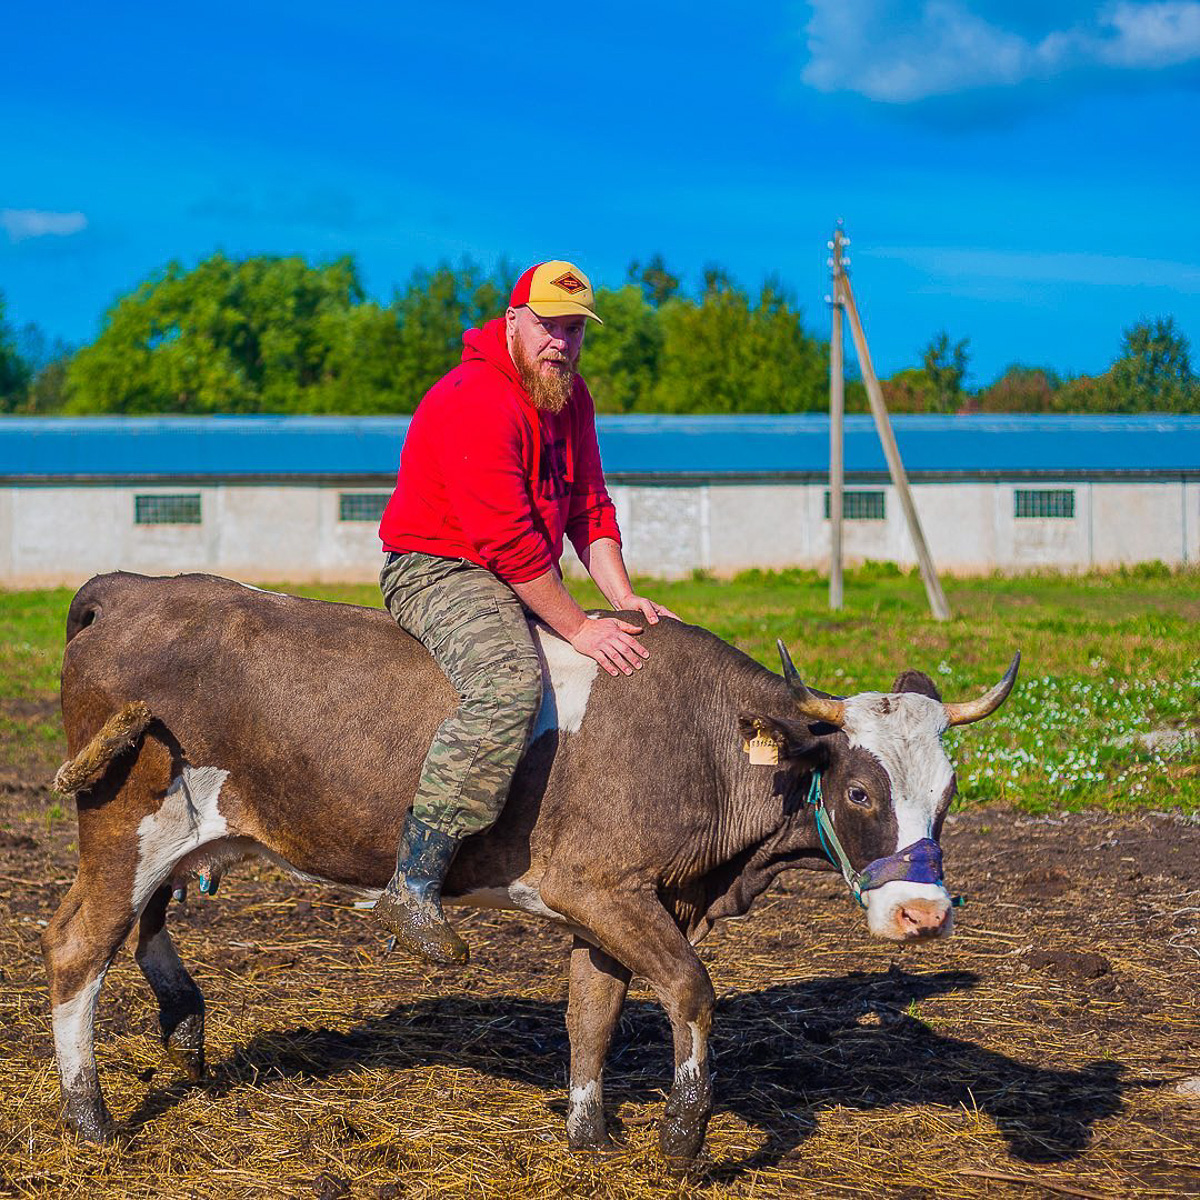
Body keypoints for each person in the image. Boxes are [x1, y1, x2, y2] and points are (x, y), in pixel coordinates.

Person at [374, 260, 678, 966]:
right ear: (513, 322)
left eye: (573, 330)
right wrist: (577, 625)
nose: (561, 343)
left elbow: (590, 507)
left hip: (512, 568)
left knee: (626, 647)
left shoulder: (571, 399)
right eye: (548, 326)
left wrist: (622, 598)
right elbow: (505, 540)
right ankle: (414, 879)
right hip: (439, 566)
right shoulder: (477, 398)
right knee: (511, 682)